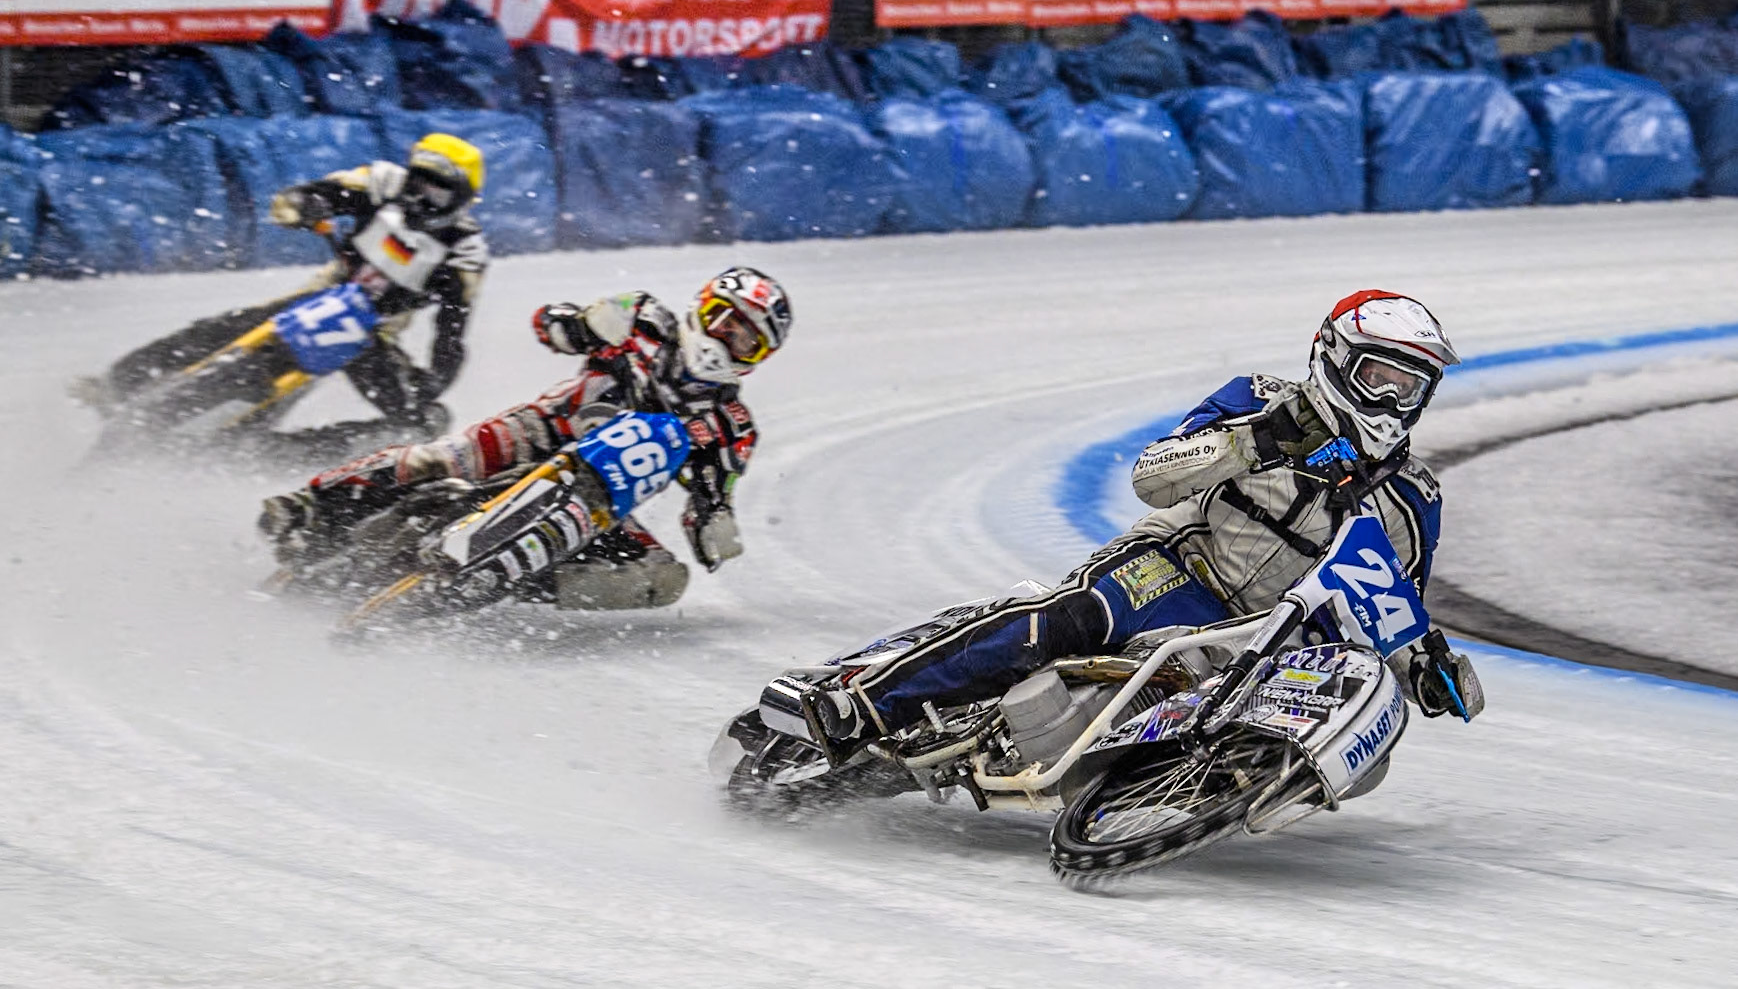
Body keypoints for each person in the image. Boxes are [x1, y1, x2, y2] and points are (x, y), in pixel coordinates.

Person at [768, 291, 1480, 760]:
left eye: (1408, 385)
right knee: (1063, 618)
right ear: (1332, 359)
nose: (1390, 398)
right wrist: (1255, 443)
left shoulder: (1415, 499)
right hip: (1180, 569)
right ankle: (857, 704)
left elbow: (1391, 603)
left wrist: (1428, 667)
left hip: (1267, 642)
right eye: (1377, 377)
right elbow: (1153, 474)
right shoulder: (1262, 399)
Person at [259, 267, 793, 614]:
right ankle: (312, 504)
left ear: (760, 356)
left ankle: (514, 578)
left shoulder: (732, 425)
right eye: (722, 320)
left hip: (603, 497)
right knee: (448, 457)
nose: (726, 338)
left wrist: (714, 524)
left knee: (662, 579)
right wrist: (581, 324)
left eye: (746, 338)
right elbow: (550, 326)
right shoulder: (645, 317)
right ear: (701, 308)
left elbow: (712, 495)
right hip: (545, 429)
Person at [87, 135, 490, 440]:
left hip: (378, 327)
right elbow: (307, 195)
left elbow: (451, 333)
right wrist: (307, 205)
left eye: (436, 191)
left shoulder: (466, 253)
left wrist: (433, 382)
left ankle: (284, 454)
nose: (421, 197)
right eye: (419, 183)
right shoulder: (383, 182)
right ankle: (120, 383)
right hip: (328, 290)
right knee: (230, 326)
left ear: (463, 199)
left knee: (419, 421)